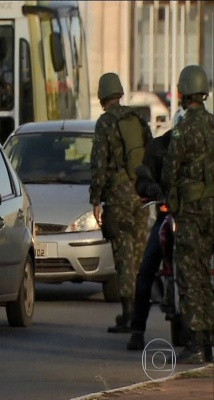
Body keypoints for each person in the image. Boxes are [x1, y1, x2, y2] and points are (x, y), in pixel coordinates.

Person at [89, 72, 150, 333]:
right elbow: (152, 153)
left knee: (124, 257)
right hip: (142, 196)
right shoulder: (137, 118)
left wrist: (96, 199)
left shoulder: (104, 124)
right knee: (138, 257)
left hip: (119, 198)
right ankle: (139, 313)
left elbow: (99, 165)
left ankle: (129, 316)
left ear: (103, 97)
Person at [161, 65, 214, 364]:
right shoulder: (212, 124)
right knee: (206, 275)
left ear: (184, 91)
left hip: (192, 213)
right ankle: (208, 342)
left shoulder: (184, 127)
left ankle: (195, 342)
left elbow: (170, 168)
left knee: (190, 275)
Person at [126, 129, 172, 350]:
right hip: (169, 216)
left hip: (202, 218)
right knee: (146, 269)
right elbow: (142, 180)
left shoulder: (207, 141)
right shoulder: (160, 146)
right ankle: (137, 330)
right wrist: (151, 188)